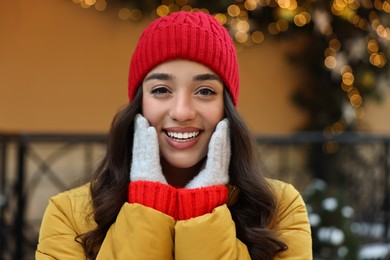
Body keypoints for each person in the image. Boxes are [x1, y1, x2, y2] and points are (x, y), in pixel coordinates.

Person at [36, 11, 312, 259]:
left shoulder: (280, 209)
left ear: (226, 108)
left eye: (205, 91)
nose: (181, 112)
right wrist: (148, 204)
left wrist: (203, 208)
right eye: (160, 90)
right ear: (139, 105)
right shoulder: (69, 215)